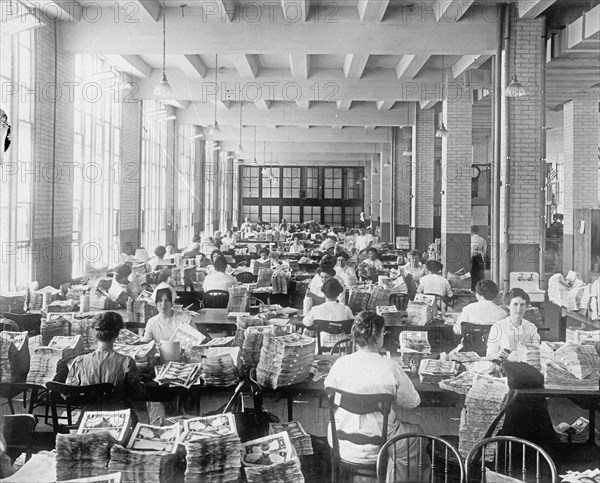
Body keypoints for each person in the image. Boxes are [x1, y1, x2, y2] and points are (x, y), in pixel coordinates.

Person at [324, 312, 427, 482]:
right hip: (379, 445)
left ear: (355, 337)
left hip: (340, 441)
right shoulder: (391, 367)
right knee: (416, 435)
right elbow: (412, 402)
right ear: (379, 337)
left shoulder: (340, 363)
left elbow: (328, 388)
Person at [66, 311, 146, 406]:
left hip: (88, 417)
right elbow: (138, 394)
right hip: (120, 417)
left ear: (95, 334)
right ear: (117, 334)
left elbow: (69, 391)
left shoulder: (79, 362)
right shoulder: (127, 362)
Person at [486, 288, 540, 361]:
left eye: (522, 305)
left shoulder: (531, 327)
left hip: (527, 366)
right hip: (506, 366)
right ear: (508, 306)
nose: (519, 308)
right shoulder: (498, 327)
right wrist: (499, 355)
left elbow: (538, 351)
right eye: (515, 304)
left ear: (526, 306)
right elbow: (489, 355)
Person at [302, 278, 354, 349]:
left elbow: (306, 323)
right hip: (342, 345)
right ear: (338, 293)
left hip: (322, 344)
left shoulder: (316, 309)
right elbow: (353, 325)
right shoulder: (346, 309)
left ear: (323, 293)